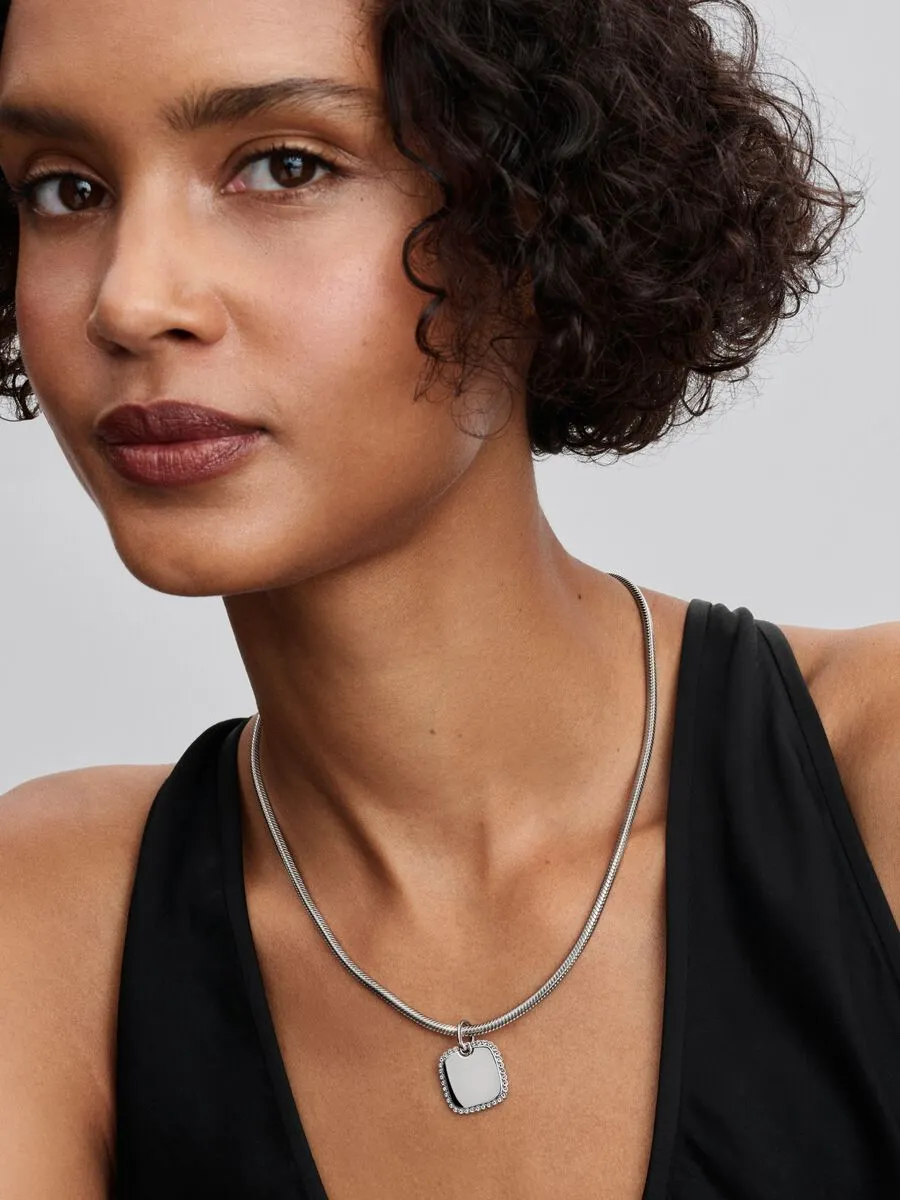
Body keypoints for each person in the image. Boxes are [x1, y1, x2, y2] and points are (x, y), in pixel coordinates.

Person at [0, 0, 896, 1195]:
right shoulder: (53, 922)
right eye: (64, 189)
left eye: (285, 166)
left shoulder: (872, 773)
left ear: (535, 202)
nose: (128, 299)